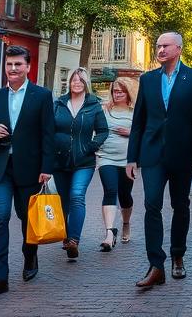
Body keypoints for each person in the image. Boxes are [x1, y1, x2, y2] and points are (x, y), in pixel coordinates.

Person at [126, 31, 192, 290]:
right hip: (152, 154)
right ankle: (156, 265)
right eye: (158, 45)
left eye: (165, 45)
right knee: (151, 204)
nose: (160, 49)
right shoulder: (148, 79)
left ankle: (178, 255)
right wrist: (132, 157)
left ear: (179, 49)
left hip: (182, 153)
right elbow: (139, 121)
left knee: (180, 205)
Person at [0, 45, 55, 299]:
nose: (12, 69)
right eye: (9, 65)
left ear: (28, 67)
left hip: (30, 169)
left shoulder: (42, 96)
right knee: (0, 217)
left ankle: (30, 255)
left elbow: (48, 134)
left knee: (26, 218)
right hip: (1, 168)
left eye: (18, 64)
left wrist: (46, 168)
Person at [53, 67, 108, 259]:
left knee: (77, 195)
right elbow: (49, 129)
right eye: (73, 80)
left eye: (80, 80)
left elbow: (103, 130)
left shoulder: (93, 105)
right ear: (69, 82)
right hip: (59, 160)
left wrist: (91, 146)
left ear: (86, 83)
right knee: (63, 201)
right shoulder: (59, 104)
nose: (77, 83)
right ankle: (66, 238)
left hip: (84, 160)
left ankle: (74, 240)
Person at [97, 77, 138, 247]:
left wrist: (131, 133)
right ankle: (109, 233)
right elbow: (96, 130)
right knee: (110, 190)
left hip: (128, 161)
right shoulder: (104, 110)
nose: (117, 94)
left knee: (125, 195)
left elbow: (143, 133)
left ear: (128, 93)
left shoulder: (135, 111)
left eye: (121, 91)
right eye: (115, 91)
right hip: (106, 157)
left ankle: (126, 223)